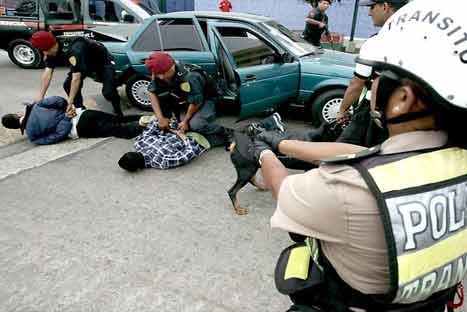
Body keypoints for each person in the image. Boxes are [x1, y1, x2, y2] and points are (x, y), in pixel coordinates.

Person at [253, 0, 467, 310]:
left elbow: (285, 190)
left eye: (377, 77)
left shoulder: (345, 189)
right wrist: (283, 144)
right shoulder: (448, 160)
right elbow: (364, 154)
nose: (372, 84)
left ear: (403, 99)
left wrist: (263, 154)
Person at [336, 0, 408, 146]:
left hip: (374, 112)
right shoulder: (422, 39)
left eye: (372, 7)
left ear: (385, 6)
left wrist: (342, 110)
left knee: (343, 154)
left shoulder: (377, 42)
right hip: (410, 112)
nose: (369, 13)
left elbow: (357, 83)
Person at [144, 51, 231, 148]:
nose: (161, 77)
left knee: (196, 125)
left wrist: (185, 121)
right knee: (166, 122)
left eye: (163, 73)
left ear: (171, 67)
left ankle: (226, 131)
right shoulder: (160, 72)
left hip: (208, 98)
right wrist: (160, 118)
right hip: (187, 97)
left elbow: (196, 102)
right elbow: (151, 92)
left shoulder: (190, 77)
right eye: (158, 74)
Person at [29, 31, 124, 116]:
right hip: (84, 64)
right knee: (67, 85)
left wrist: (70, 102)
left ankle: (118, 111)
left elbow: (76, 78)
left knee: (108, 92)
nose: (44, 54)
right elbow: (48, 72)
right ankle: (81, 110)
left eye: (44, 51)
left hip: (102, 62)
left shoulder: (74, 49)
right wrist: (40, 97)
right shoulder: (51, 49)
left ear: (51, 47)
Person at [1, 96, 145, 145]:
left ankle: (148, 126)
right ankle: (151, 117)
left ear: (16, 128)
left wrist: (66, 118)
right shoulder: (36, 106)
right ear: (16, 115)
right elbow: (58, 100)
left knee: (116, 130)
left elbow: (58, 136)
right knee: (118, 119)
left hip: (79, 129)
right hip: (83, 114)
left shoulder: (33, 136)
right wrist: (67, 110)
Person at [118, 118, 210, 171]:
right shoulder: (161, 161)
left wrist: (171, 126)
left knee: (197, 121)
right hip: (195, 139)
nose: (137, 152)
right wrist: (183, 137)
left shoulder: (139, 144)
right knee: (204, 126)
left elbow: (154, 124)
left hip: (178, 128)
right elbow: (190, 152)